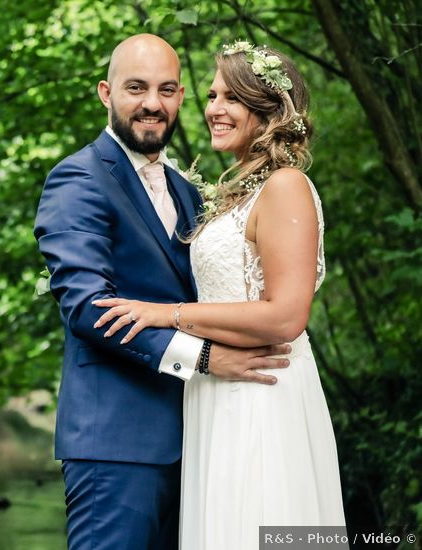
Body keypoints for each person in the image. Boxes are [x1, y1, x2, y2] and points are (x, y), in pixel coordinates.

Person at [33, 34, 291, 550]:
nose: (153, 102)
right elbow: (87, 308)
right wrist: (202, 360)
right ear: (107, 93)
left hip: (205, 440)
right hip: (117, 446)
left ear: (178, 99)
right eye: (136, 88)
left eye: (167, 89)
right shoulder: (78, 179)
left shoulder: (186, 190)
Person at [91, 42, 347, 548]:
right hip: (214, 390)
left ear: (268, 109)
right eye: (211, 95)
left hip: (261, 392)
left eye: (231, 97)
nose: (212, 109)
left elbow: (286, 316)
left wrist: (168, 315)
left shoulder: (286, 186)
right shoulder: (238, 192)